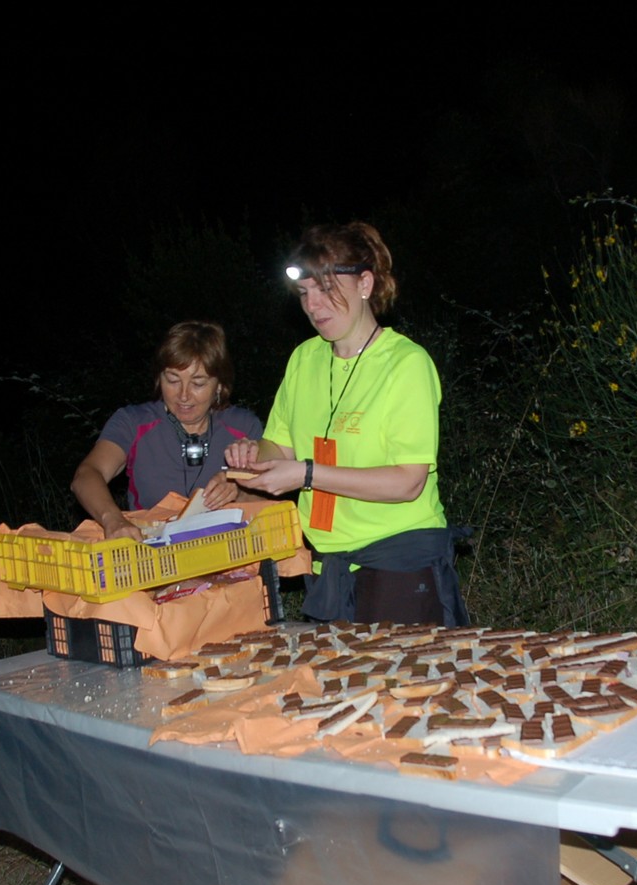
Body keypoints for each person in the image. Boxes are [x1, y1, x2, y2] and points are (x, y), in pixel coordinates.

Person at [226, 221, 468, 626]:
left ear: (364, 284)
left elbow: (408, 482)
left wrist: (306, 474)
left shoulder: (406, 364)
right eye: (304, 293)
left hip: (399, 563)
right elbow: (280, 446)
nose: (312, 305)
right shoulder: (304, 360)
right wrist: (253, 454)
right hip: (328, 566)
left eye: (326, 289)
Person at [71, 321, 262, 541]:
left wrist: (239, 487)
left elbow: (268, 499)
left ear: (219, 385)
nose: (183, 395)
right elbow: (86, 475)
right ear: (159, 378)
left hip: (228, 550)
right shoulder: (132, 422)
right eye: (172, 380)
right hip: (153, 551)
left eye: (198, 383)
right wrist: (113, 519)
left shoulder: (244, 427)